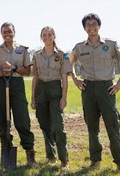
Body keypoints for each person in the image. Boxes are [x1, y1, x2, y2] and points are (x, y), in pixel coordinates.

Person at [70, 13, 120, 175]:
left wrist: (119, 83)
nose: (91, 27)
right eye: (88, 25)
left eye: (94, 24)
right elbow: (68, 64)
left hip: (107, 88)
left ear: (99, 26)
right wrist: (75, 80)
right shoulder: (79, 47)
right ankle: (95, 161)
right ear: (84, 28)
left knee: (113, 126)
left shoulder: (110, 45)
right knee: (92, 127)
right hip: (88, 89)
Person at [0, 22, 39, 168]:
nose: (7, 34)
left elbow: (28, 71)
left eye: (10, 32)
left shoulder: (22, 50)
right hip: (1, 84)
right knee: (3, 120)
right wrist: (2, 71)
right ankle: (7, 151)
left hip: (17, 85)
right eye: (4, 32)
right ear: (1, 33)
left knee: (22, 120)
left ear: (14, 33)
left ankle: (30, 154)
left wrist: (13, 67)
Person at [31, 26, 71, 170]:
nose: (47, 37)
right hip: (41, 89)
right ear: (41, 37)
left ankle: (64, 159)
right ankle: (51, 155)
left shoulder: (62, 55)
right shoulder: (36, 55)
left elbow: (64, 77)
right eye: (44, 35)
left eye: (50, 34)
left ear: (54, 36)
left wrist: (64, 97)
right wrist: (33, 97)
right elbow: (35, 77)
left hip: (55, 90)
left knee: (57, 125)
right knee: (44, 124)